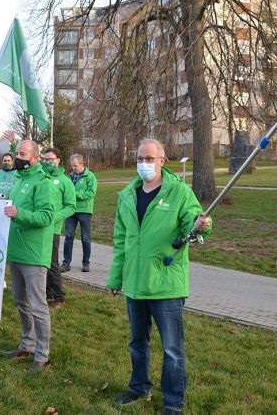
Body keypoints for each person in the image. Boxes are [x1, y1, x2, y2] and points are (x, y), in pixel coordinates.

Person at [105, 138, 211, 415]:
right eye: (140, 158)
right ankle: (139, 387)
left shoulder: (179, 193)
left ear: (162, 161)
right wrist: (116, 278)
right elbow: (121, 241)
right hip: (136, 284)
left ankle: (173, 403)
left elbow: (193, 223)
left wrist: (202, 225)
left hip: (166, 285)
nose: (144, 164)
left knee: (172, 350)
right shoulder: (127, 194)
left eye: (149, 159)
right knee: (137, 343)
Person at [3, 140, 55, 373]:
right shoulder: (19, 180)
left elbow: (46, 217)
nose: (18, 157)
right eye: (17, 153)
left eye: (23, 154)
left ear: (35, 158)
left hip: (33, 254)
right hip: (15, 250)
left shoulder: (42, 183)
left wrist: (18, 213)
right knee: (19, 300)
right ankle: (27, 343)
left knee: (37, 305)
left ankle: (42, 354)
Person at [41, 147, 76, 310]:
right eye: (45, 160)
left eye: (51, 159)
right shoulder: (41, 176)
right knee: (41, 263)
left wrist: (52, 218)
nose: (48, 162)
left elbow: (71, 207)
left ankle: (58, 297)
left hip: (52, 229)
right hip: (38, 227)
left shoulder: (65, 181)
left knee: (52, 263)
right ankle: (47, 293)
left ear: (58, 160)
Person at [62, 153, 97, 273]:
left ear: (82, 164)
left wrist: (75, 194)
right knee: (68, 237)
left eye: (75, 166)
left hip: (85, 211)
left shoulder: (90, 177)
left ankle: (86, 263)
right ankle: (66, 263)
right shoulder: (69, 177)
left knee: (85, 238)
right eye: (72, 165)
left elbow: (91, 193)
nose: (73, 168)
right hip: (70, 211)